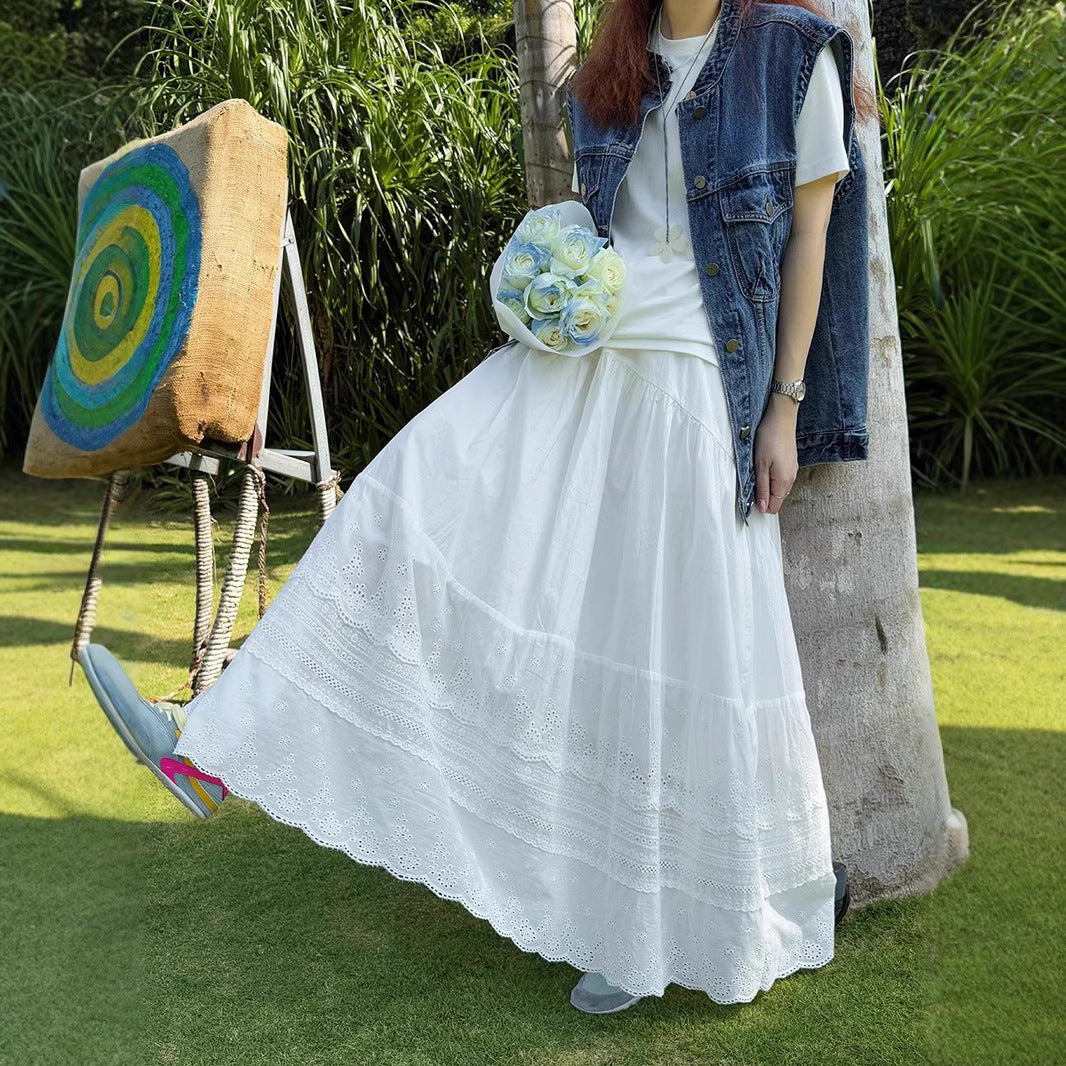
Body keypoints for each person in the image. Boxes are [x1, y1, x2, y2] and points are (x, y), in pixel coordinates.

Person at [92, 0, 865, 1016]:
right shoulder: (614, 66)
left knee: (662, 646)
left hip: (692, 378)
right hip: (579, 357)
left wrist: (787, 409)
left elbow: (812, 236)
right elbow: (603, 226)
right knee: (406, 496)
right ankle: (211, 746)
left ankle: (634, 933)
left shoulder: (792, 55)